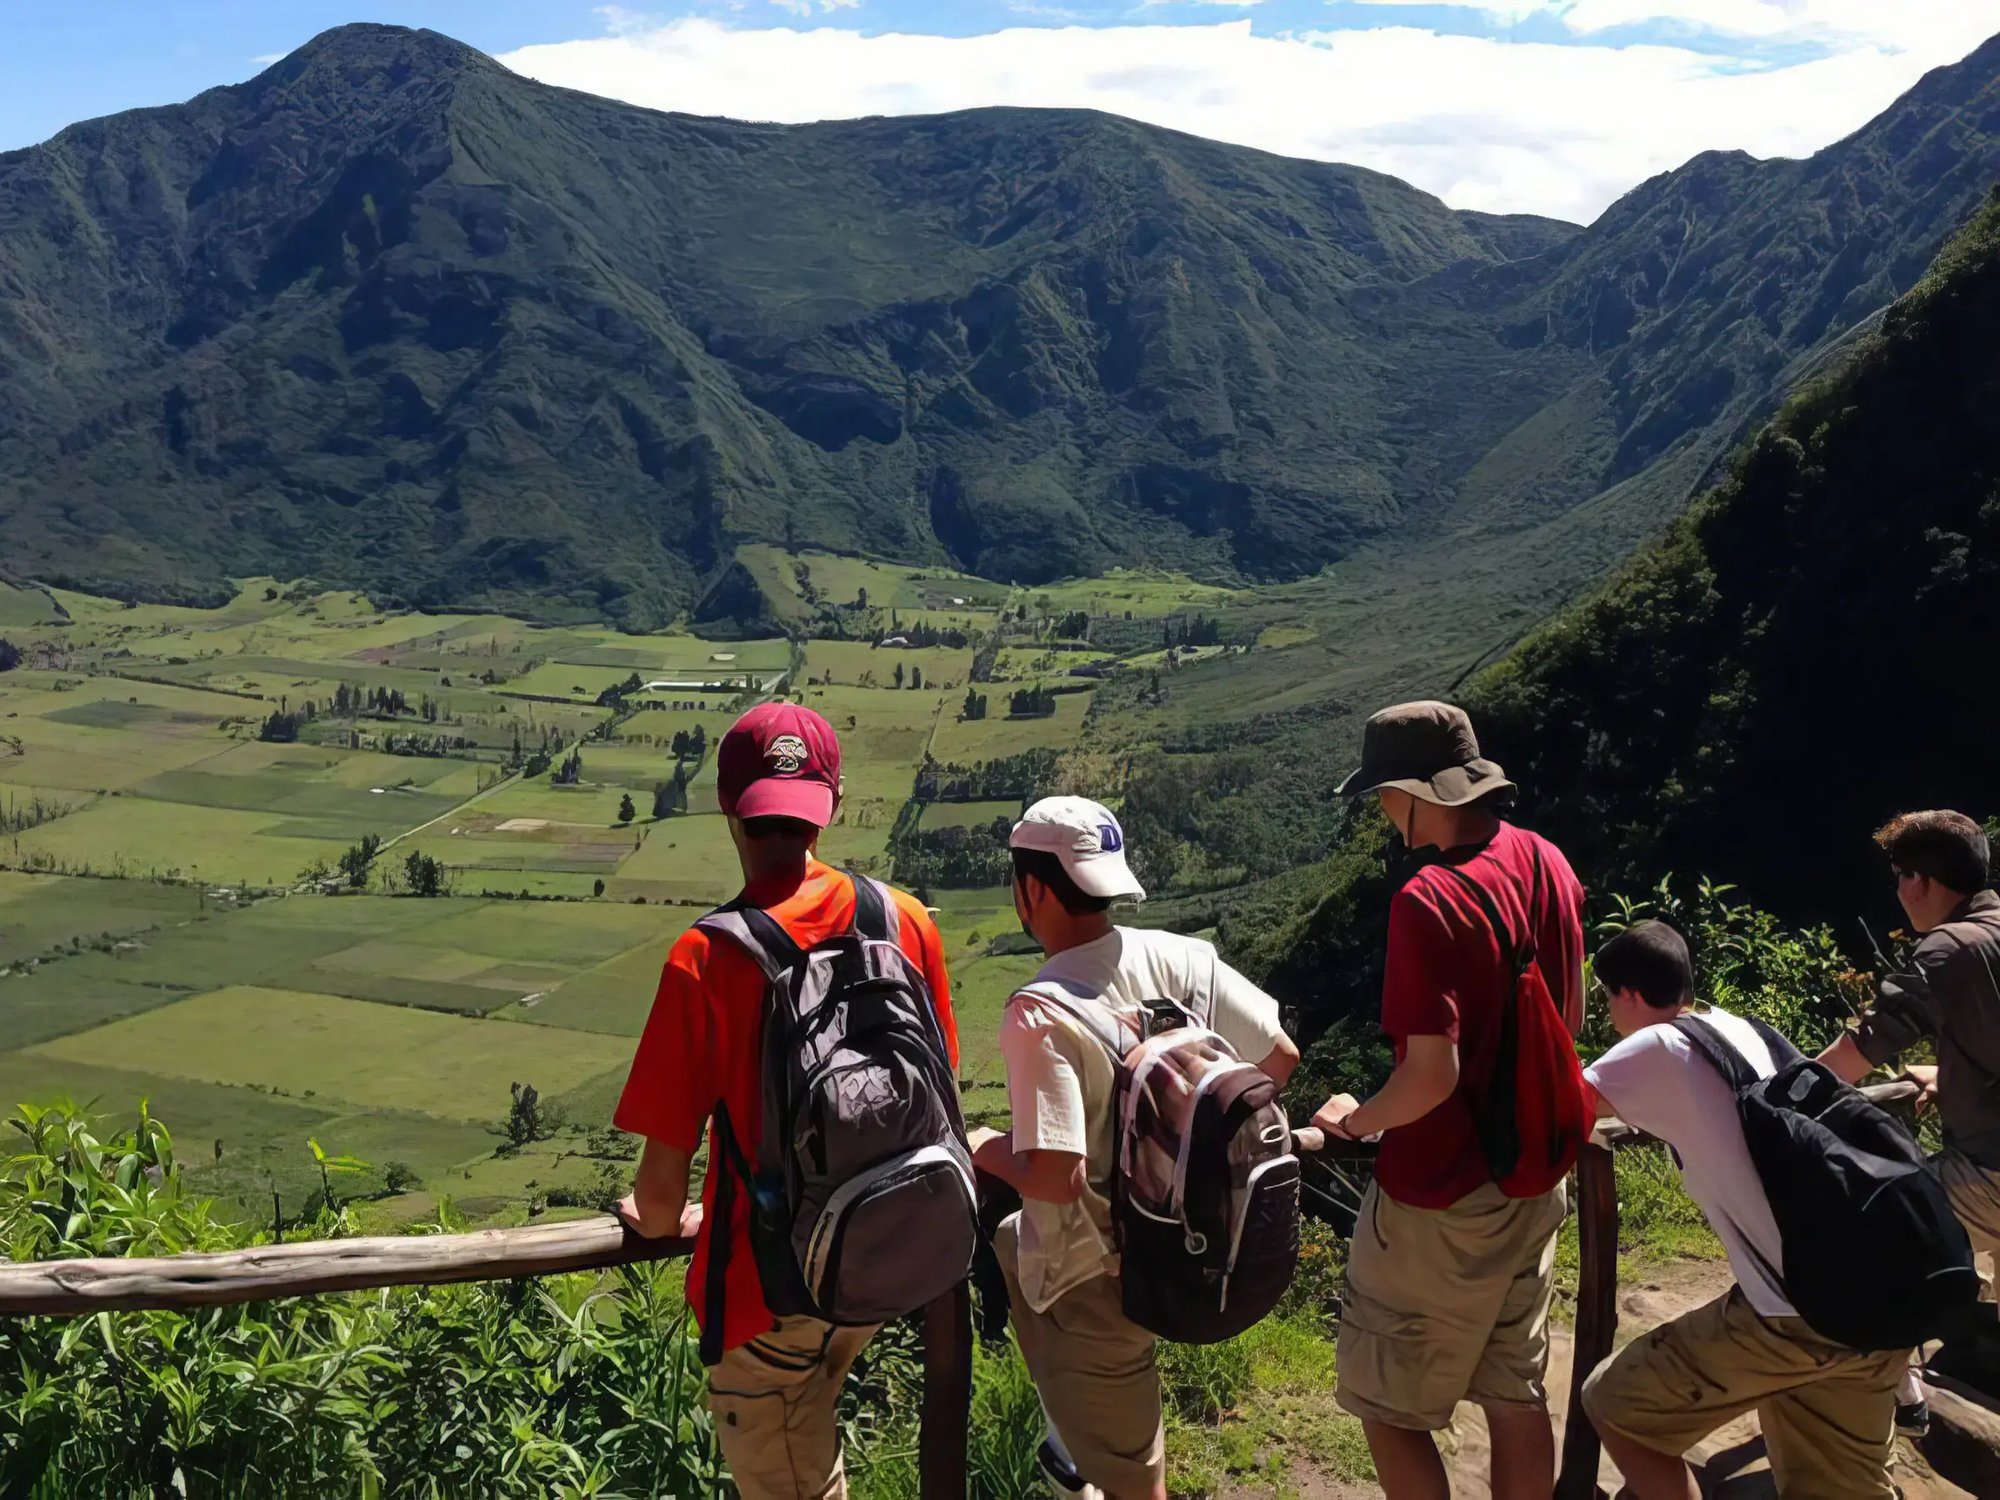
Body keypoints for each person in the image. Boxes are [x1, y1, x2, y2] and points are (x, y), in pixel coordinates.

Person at [611, 702, 959, 1500]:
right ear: (827, 805)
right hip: (883, 1254)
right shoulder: (903, 921)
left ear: (729, 807)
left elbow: (659, 1199)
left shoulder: (707, 956)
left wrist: (653, 1220)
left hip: (770, 1298)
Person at [969, 795, 1299, 1500]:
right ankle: (1071, 1447)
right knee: (1008, 1240)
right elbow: (1279, 1059)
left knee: (1135, 1480)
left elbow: (1056, 1180)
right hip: (1185, 1244)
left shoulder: (1043, 1010)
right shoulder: (1187, 958)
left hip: (1095, 1276)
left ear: (1029, 891)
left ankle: (1075, 1456)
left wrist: (983, 1146)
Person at [1310, 701, 1585, 1500]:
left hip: (1445, 1196)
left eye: (1384, 794)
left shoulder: (1429, 898)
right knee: (1515, 1392)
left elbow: (1432, 1076)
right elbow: (1562, 1022)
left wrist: (1354, 1120)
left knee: (1388, 1405)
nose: (1383, 811)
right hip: (1536, 1173)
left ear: (1416, 791)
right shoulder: (1545, 860)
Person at [1581, 921, 1906, 1500]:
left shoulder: (1655, 1046)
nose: (1610, 1016)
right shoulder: (1745, 1030)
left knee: (1617, 1404)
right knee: (1838, 1487)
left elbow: (1559, 1106)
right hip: (1876, 1295)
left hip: (1794, 1313)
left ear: (1629, 993)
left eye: (1608, 998)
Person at [1815, 810, 2000, 1421]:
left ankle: (1892, 1397)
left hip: (1992, 1175)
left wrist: (1764, 1094)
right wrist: (1951, 1078)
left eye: (1900, 878)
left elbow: (1850, 1059)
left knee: (1876, 1236)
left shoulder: (1946, 948)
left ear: (1920, 880)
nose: (1898, 893)